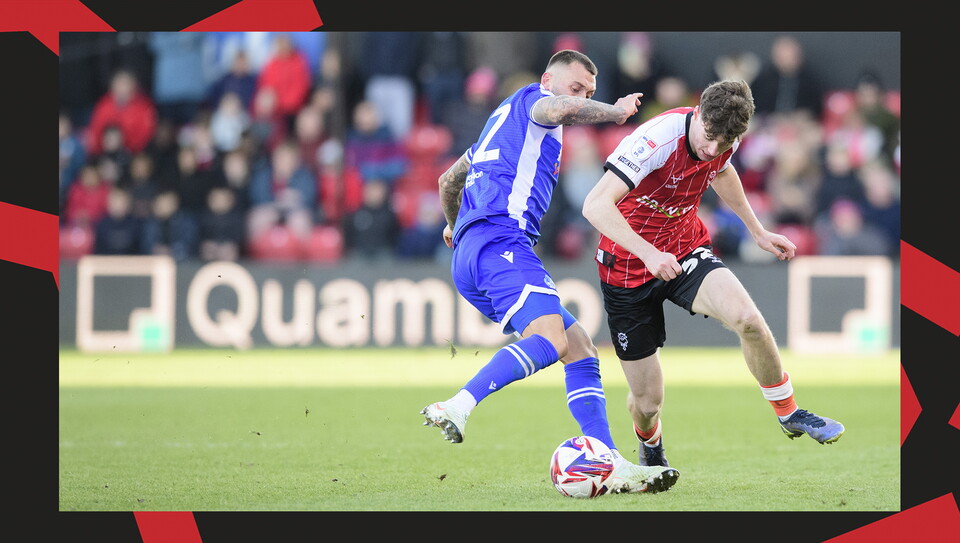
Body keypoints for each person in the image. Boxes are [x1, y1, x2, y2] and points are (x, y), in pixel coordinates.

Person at [419, 49, 679, 495]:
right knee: (554, 339)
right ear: (548, 79)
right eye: (576, 88)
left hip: (474, 251)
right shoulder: (534, 104)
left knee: (578, 348)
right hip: (502, 241)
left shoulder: (499, 125)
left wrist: (451, 224)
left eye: (590, 92)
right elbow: (556, 107)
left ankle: (608, 458)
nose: (580, 97)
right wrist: (612, 110)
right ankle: (458, 404)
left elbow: (449, 181)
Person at [580, 79, 845, 470]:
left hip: (684, 248)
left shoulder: (723, 139)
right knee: (648, 402)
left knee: (749, 321)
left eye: (724, 143)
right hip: (627, 266)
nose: (712, 149)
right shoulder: (656, 139)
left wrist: (758, 231)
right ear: (698, 112)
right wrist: (650, 253)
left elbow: (722, 172)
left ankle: (789, 412)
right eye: (708, 137)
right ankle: (651, 447)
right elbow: (595, 205)